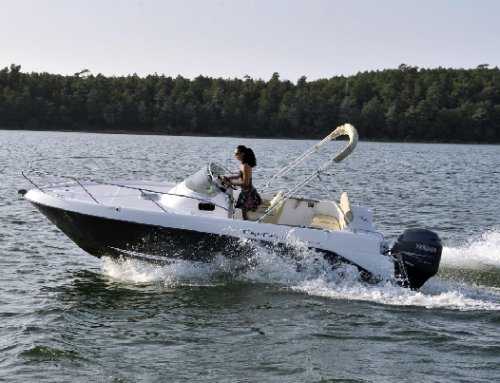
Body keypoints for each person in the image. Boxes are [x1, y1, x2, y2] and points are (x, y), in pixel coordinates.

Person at [224, 145, 262, 220]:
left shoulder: (246, 166)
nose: (235, 155)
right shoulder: (242, 164)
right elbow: (239, 176)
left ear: (242, 154)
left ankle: (249, 229)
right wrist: (228, 178)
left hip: (249, 193)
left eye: (236, 153)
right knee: (245, 215)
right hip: (244, 192)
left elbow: (245, 183)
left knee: (246, 216)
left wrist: (230, 183)